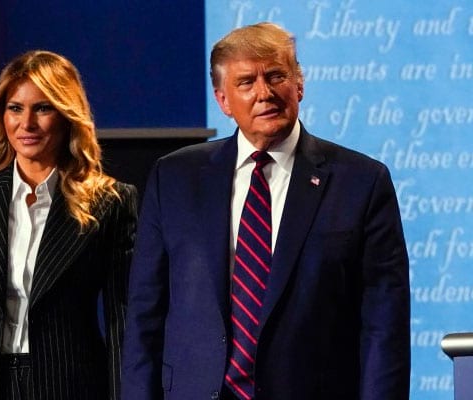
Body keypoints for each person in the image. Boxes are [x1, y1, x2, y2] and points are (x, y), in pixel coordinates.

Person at [121, 22, 410, 400]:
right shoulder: (174, 178)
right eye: (246, 82)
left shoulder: (361, 181)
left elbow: (384, 326)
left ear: (299, 85)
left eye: (276, 76)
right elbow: (145, 315)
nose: (264, 93)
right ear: (223, 100)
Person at [0, 50, 137, 400]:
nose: (27, 123)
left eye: (43, 108)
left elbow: (121, 320)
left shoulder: (111, 202)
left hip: (69, 386)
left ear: (67, 115)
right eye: (15, 108)